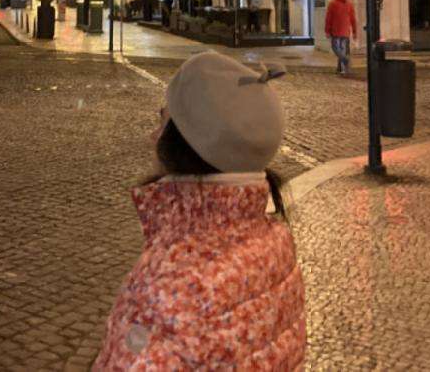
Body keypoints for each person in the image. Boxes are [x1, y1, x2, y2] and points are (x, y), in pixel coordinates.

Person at [94, 52, 305, 369]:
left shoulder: (170, 287)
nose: (153, 135)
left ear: (184, 143)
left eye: (163, 120)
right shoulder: (276, 241)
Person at [325, 0, 357, 75]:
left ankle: (345, 60)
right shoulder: (349, 4)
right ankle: (340, 69)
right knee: (342, 50)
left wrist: (327, 31)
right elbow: (353, 19)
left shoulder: (332, 4)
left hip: (335, 31)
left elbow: (328, 19)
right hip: (346, 31)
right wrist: (354, 32)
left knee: (335, 48)